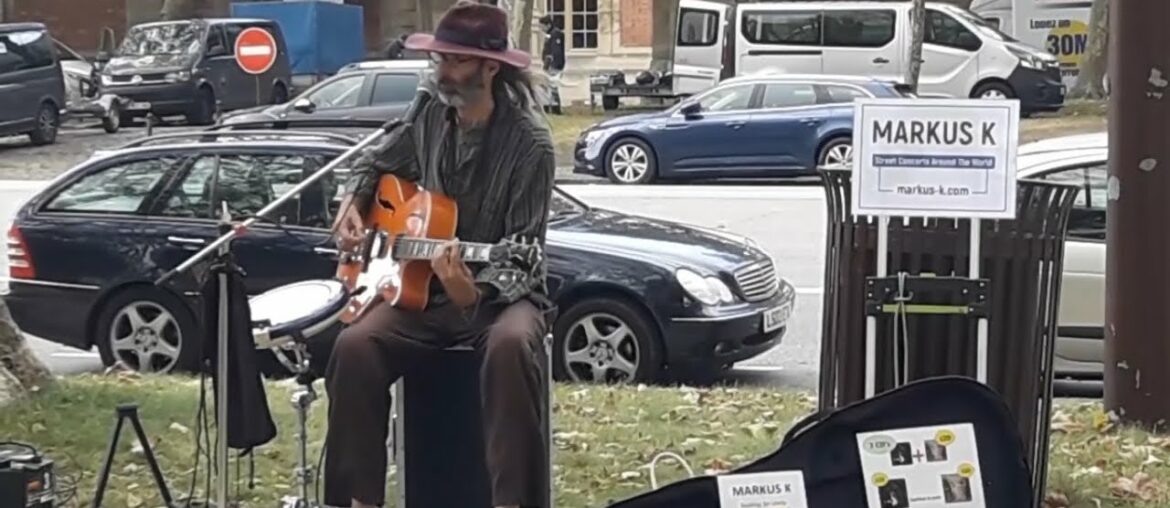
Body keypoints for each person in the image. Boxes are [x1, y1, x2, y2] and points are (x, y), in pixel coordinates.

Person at [322, 2, 556, 508]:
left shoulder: (531, 145)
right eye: (440, 59)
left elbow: (524, 252)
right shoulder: (430, 110)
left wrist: (470, 289)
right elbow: (378, 160)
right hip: (424, 288)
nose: (442, 71)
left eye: (455, 61)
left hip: (498, 293)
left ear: (491, 67)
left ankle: (513, 502)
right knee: (354, 346)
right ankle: (356, 501)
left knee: (513, 345)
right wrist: (353, 201)